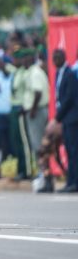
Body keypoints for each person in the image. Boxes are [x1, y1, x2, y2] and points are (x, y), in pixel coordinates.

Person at [52, 49, 77, 193]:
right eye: (53, 58)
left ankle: (74, 182)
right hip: (66, 118)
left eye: (57, 58)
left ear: (64, 57)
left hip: (73, 118)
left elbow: (69, 99)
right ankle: (70, 181)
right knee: (69, 150)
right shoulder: (58, 74)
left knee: (74, 151)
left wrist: (57, 118)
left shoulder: (70, 74)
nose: (55, 61)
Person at [23, 50, 50, 181]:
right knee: (40, 144)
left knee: (39, 144)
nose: (22, 61)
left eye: (24, 58)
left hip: (37, 111)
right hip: (38, 110)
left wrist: (33, 109)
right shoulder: (34, 71)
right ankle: (44, 173)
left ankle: (43, 175)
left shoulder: (34, 73)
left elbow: (38, 92)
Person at [9, 48, 33, 180]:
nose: (14, 61)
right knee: (16, 141)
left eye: (16, 58)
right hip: (13, 108)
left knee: (23, 141)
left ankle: (27, 171)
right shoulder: (16, 72)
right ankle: (20, 169)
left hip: (21, 108)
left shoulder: (25, 74)